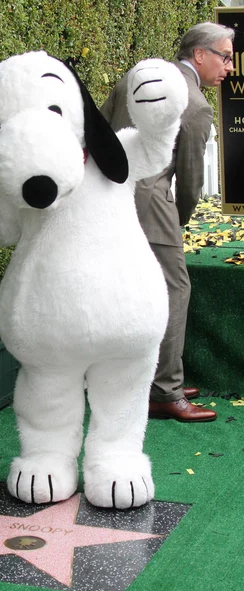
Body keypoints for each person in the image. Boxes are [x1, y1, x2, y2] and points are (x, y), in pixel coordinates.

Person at [101, 22, 235, 422]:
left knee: (126, 289)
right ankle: (165, 391)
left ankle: (137, 379)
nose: (229, 67)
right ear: (199, 54)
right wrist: (175, 225)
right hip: (149, 203)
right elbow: (192, 182)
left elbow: (102, 130)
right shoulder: (195, 104)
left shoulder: (138, 74)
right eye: (225, 57)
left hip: (107, 196)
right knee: (174, 288)